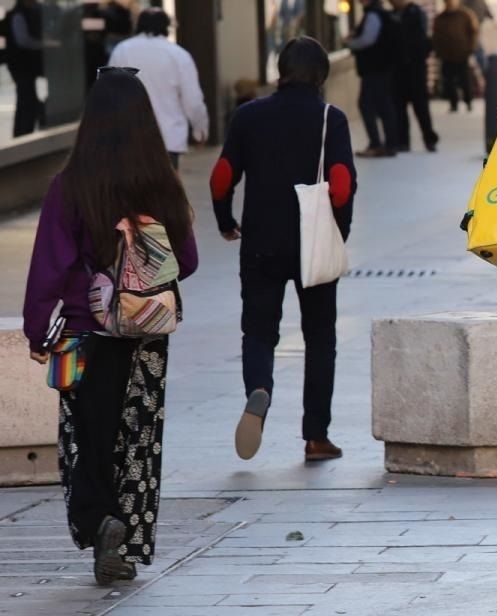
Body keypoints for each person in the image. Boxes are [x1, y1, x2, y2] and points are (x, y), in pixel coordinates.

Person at [23, 68, 198, 586]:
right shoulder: (162, 183)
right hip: (145, 339)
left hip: (84, 335)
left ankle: (101, 523)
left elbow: (48, 266)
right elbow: (184, 261)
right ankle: (118, 541)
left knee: (85, 441)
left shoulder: (71, 185)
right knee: (136, 443)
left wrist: (38, 331)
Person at [209, 37, 358, 463]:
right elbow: (342, 184)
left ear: (280, 71)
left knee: (258, 331)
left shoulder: (248, 115)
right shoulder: (331, 118)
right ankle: (316, 437)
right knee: (320, 339)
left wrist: (224, 220)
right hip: (312, 243)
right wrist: (336, 235)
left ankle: (259, 388)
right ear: (322, 77)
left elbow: (221, 177)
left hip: (260, 241)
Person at [107, 8, 209, 170]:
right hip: (168, 138)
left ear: (138, 25)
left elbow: (109, 94)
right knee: (164, 192)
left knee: (131, 191)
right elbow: (193, 100)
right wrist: (200, 130)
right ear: (167, 27)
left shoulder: (122, 50)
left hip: (129, 138)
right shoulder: (178, 55)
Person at [345, 0, 400, 157]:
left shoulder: (373, 14)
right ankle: (389, 143)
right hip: (381, 69)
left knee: (367, 104)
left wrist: (350, 43)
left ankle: (378, 143)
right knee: (383, 105)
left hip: (375, 69)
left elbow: (367, 39)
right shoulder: (380, 13)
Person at [390, 0, 439, 152]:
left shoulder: (415, 13)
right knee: (400, 107)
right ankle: (403, 141)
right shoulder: (393, 15)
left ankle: (429, 138)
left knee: (420, 106)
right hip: (399, 69)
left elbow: (421, 39)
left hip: (415, 68)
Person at [5, 0, 46, 137]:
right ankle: (23, 134)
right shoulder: (18, 15)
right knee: (27, 102)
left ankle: (21, 134)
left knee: (25, 101)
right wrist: (44, 44)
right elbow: (23, 40)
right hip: (21, 66)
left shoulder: (26, 12)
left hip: (24, 66)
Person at [432, 0, 480, 113]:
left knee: (465, 80)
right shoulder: (440, 18)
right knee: (449, 81)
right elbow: (436, 36)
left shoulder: (466, 15)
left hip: (462, 54)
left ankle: (468, 101)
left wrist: (471, 48)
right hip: (447, 55)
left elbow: (474, 32)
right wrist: (438, 51)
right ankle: (453, 103)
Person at [461, 0, 493, 70]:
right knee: (476, 46)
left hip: (476, 25)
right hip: (469, 27)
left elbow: (486, 8)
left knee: (477, 46)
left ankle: (482, 68)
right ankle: (482, 68)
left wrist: (493, 19)